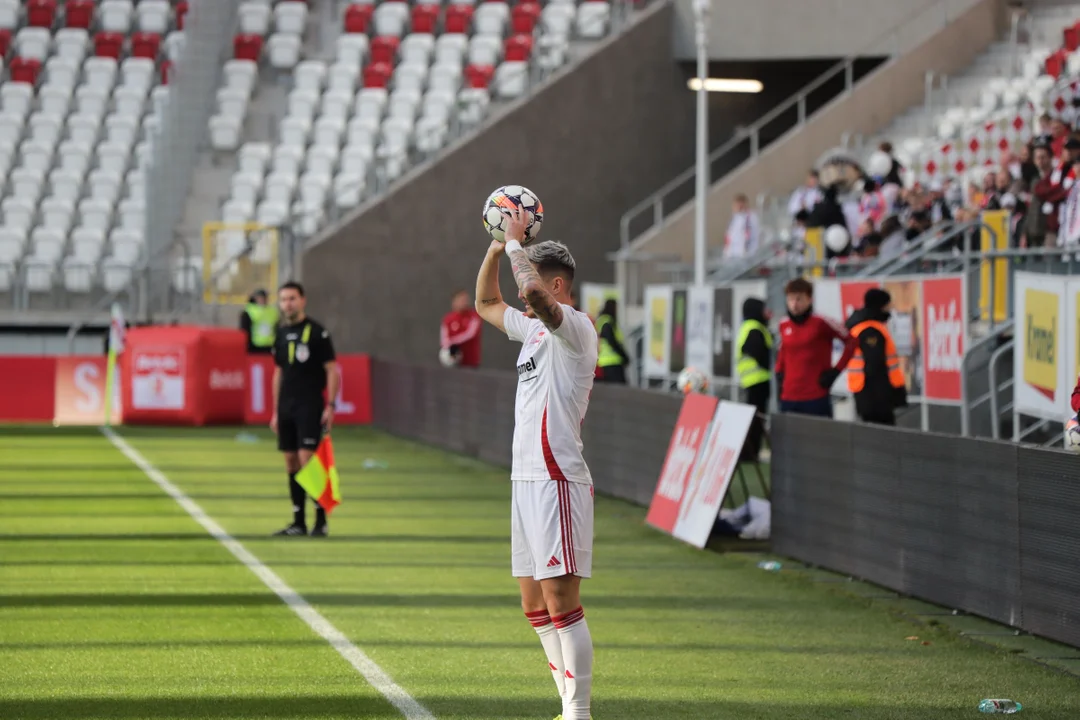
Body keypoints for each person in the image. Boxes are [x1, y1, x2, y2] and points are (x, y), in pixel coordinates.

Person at [474, 206, 598, 720]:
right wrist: (496, 247)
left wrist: (517, 244)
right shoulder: (534, 334)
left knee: (560, 599)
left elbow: (529, 295)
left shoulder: (575, 328)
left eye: (542, 285)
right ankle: (565, 704)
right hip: (524, 479)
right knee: (533, 604)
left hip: (557, 479)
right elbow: (486, 302)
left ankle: (580, 711)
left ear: (558, 284)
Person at [270, 281, 340, 537]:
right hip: (286, 406)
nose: (288, 304)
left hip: (309, 404)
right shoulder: (280, 333)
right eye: (284, 299)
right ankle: (297, 521)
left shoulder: (317, 332)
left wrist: (330, 405)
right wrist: (275, 410)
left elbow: (332, 370)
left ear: (302, 300)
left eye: (292, 298)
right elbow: (278, 372)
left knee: (307, 460)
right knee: (290, 461)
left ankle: (320, 520)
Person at [774, 278, 855, 418]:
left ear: (809, 299)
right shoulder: (784, 324)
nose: (794, 304)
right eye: (790, 299)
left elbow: (851, 341)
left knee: (819, 438)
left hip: (815, 396)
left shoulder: (821, 322)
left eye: (799, 299)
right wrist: (779, 372)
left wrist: (836, 371)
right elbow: (784, 349)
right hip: (789, 396)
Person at [845, 289, 907, 425]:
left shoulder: (863, 326)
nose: (890, 309)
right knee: (883, 436)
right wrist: (889, 395)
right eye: (888, 305)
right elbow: (875, 364)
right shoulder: (870, 330)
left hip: (867, 394)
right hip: (875, 397)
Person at [735, 297, 772, 460]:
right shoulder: (755, 328)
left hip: (751, 380)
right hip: (757, 380)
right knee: (756, 420)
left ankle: (750, 452)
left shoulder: (748, 326)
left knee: (753, 419)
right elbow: (757, 352)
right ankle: (750, 453)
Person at [440, 290, 483, 367]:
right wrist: (449, 347)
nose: (464, 302)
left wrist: (453, 342)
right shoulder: (448, 319)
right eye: (461, 300)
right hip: (453, 363)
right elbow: (444, 339)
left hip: (471, 363)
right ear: (454, 302)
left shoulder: (474, 317)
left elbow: (470, 334)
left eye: (466, 299)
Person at [595, 299, 629, 384]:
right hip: (613, 360)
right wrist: (624, 356)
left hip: (603, 360)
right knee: (620, 390)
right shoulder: (608, 321)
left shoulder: (600, 320)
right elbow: (612, 341)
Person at [240, 289, 279, 354]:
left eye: (263, 297)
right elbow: (245, 330)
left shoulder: (273, 312)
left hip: (270, 344)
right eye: (259, 297)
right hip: (254, 345)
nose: (262, 300)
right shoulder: (249, 311)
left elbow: (276, 328)